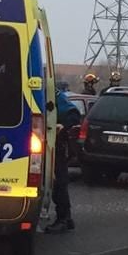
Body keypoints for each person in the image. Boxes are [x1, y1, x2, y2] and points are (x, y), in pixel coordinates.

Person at [45, 90, 82, 233]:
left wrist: (62, 125)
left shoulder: (52, 93)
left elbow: (72, 113)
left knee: (58, 182)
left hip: (55, 145)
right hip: (44, 144)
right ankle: (65, 218)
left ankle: (64, 219)